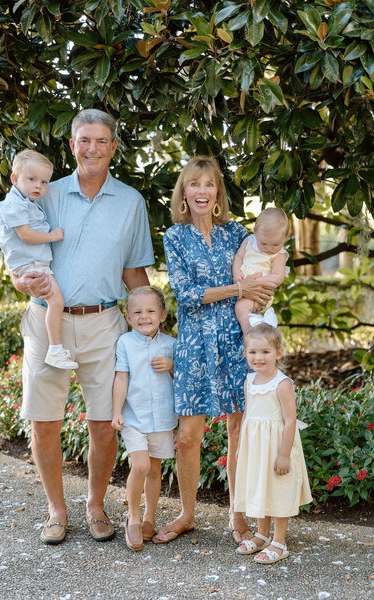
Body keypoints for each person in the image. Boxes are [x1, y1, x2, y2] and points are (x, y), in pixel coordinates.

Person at [9, 109, 154, 544]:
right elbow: (17, 259)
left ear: (113, 147)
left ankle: (95, 504)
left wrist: (151, 329)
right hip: (45, 320)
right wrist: (21, 281)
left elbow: (134, 273)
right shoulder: (42, 194)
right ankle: (56, 510)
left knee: (105, 422)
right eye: (84, 140)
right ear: (72, 145)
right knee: (43, 421)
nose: (92, 148)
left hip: (105, 322)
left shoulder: (131, 202)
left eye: (101, 141)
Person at [153, 156, 277, 545]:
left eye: (209, 184)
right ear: (184, 193)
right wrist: (238, 290)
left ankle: (236, 516)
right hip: (193, 344)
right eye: (194, 184)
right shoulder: (174, 237)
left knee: (238, 428)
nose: (202, 191)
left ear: (218, 192)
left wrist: (261, 289)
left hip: (235, 341)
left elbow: (265, 271)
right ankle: (187, 514)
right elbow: (186, 296)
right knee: (189, 435)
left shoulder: (237, 233)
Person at [234, 311, 312, 563]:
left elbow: (290, 421)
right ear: (245, 354)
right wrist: (241, 447)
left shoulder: (282, 384)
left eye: (265, 352)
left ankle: (279, 541)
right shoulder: (249, 381)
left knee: (277, 490)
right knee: (259, 487)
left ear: (278, 353)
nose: (258, 358)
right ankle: (262, 534)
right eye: (253, 352)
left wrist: (283, 454)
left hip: (277, 446)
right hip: (255, 447)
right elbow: (247, 415)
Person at [0, 149, 78, 370]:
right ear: (14, 179)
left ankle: (55, 349)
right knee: (56, 302)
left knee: (55, 301)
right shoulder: (16, 205)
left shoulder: (25, 202)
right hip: (32, 264)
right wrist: (52, 236)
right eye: (31, 179)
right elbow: (26, 235)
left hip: (32, 262)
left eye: (43, 181)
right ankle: (55, 350)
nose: (38, 186)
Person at [112, 286, 177, 551]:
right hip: (134, 419)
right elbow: (121, 377)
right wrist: (116, 411)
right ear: (128, 317)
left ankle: (150, 516)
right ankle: (134, 518)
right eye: (137, 312)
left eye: (150, 311)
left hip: (161, 418)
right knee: (140, 466)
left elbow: (182, 380)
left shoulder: (172, 345)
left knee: (154, 470)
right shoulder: (125, 343)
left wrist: (172, 366)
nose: (144, 317)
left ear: (162, 315)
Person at [232, 207, 289, 335]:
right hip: (242, 286)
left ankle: (251, 335)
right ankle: (256, 323)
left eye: (275, 244)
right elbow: (238, 257)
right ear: (255, 232)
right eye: (264, 243)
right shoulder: (248, 242)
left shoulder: (279, 255)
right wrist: (236, 273)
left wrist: (256, 282)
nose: (269, 248)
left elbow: (278, 277)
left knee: (240, 307)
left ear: (285, 238)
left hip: (260, 292)